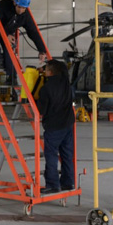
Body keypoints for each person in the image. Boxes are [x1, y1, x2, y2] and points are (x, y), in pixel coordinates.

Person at [0, 0, 48, 80]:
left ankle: (11, 77)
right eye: (19, 7)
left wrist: (42, 50)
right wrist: (6, 35)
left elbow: (33, 32)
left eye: (24, 8)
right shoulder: (3, 6)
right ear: (14, 3)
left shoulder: (25, 16)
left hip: (7, 32)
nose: (21, 10)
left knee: (9, 49)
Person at [37, 58, 75, 194]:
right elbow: (62, 70)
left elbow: (41, 110)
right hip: (68, 124)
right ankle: (68, 182)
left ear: (50, 72)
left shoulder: (46, 89)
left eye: (46, 69)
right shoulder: (66, 82)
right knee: (67, 154)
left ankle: (53, 184)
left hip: (54, 126)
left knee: (51, 155)